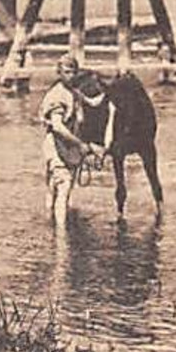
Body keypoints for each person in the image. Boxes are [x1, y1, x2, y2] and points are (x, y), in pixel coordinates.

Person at [39, 54, 103, 228]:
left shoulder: (74, 93)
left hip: (69, 149)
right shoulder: (57, 95)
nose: (70, 76)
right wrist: (81, 144)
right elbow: (58, 126)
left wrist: (111, 93)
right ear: (59, 73)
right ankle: (61, 237)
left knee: (55, 187)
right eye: (66, 72)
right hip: (56, 146)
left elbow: (93, 102)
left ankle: (51, 224)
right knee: (63, 186)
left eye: (73, 72)